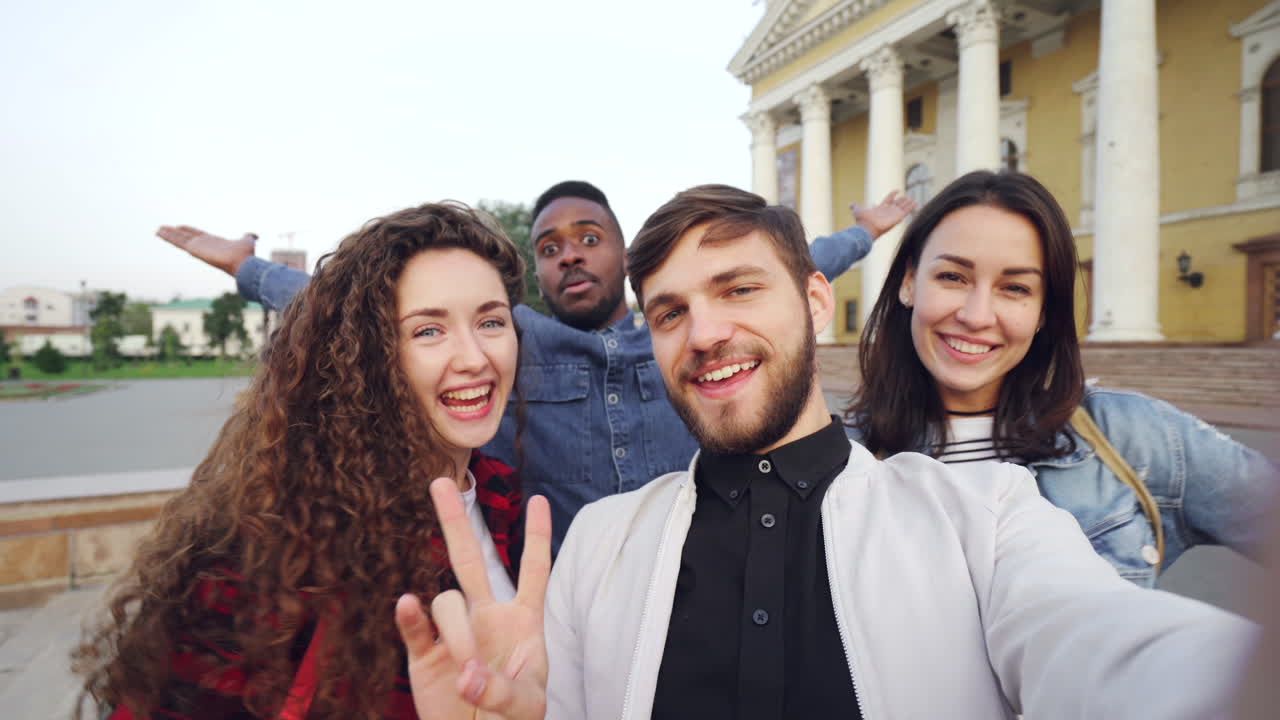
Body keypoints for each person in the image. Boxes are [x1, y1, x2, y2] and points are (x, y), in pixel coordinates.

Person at [396, 184, 1258, 720]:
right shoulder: (598, 545)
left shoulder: (984, 515)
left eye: (739, 289)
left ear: (815, 302)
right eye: (669, 313)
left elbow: (1102, 643)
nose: (706, 333)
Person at [157, 181, 916, 549]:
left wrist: (869, 235)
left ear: (626, 257)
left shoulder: (685, 332)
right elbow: (364, 307)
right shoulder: (512, 340)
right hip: (567, 596)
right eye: (549, 247)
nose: (570, 254)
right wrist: (248, 270)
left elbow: (788, 265)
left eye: (589, 236)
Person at [76, 203, 551, 720]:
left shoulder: (505, 496)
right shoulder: (274, 547)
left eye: (491, 321)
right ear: (372, 356)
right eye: (428, 331)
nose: (475, 357)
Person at [846, 170, 1278, 586]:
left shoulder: (1134, 436)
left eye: (1015, 288)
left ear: (1043, 313)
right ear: (908, 283)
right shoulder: (845, 460)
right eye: (952, 277)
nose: (976, 316)